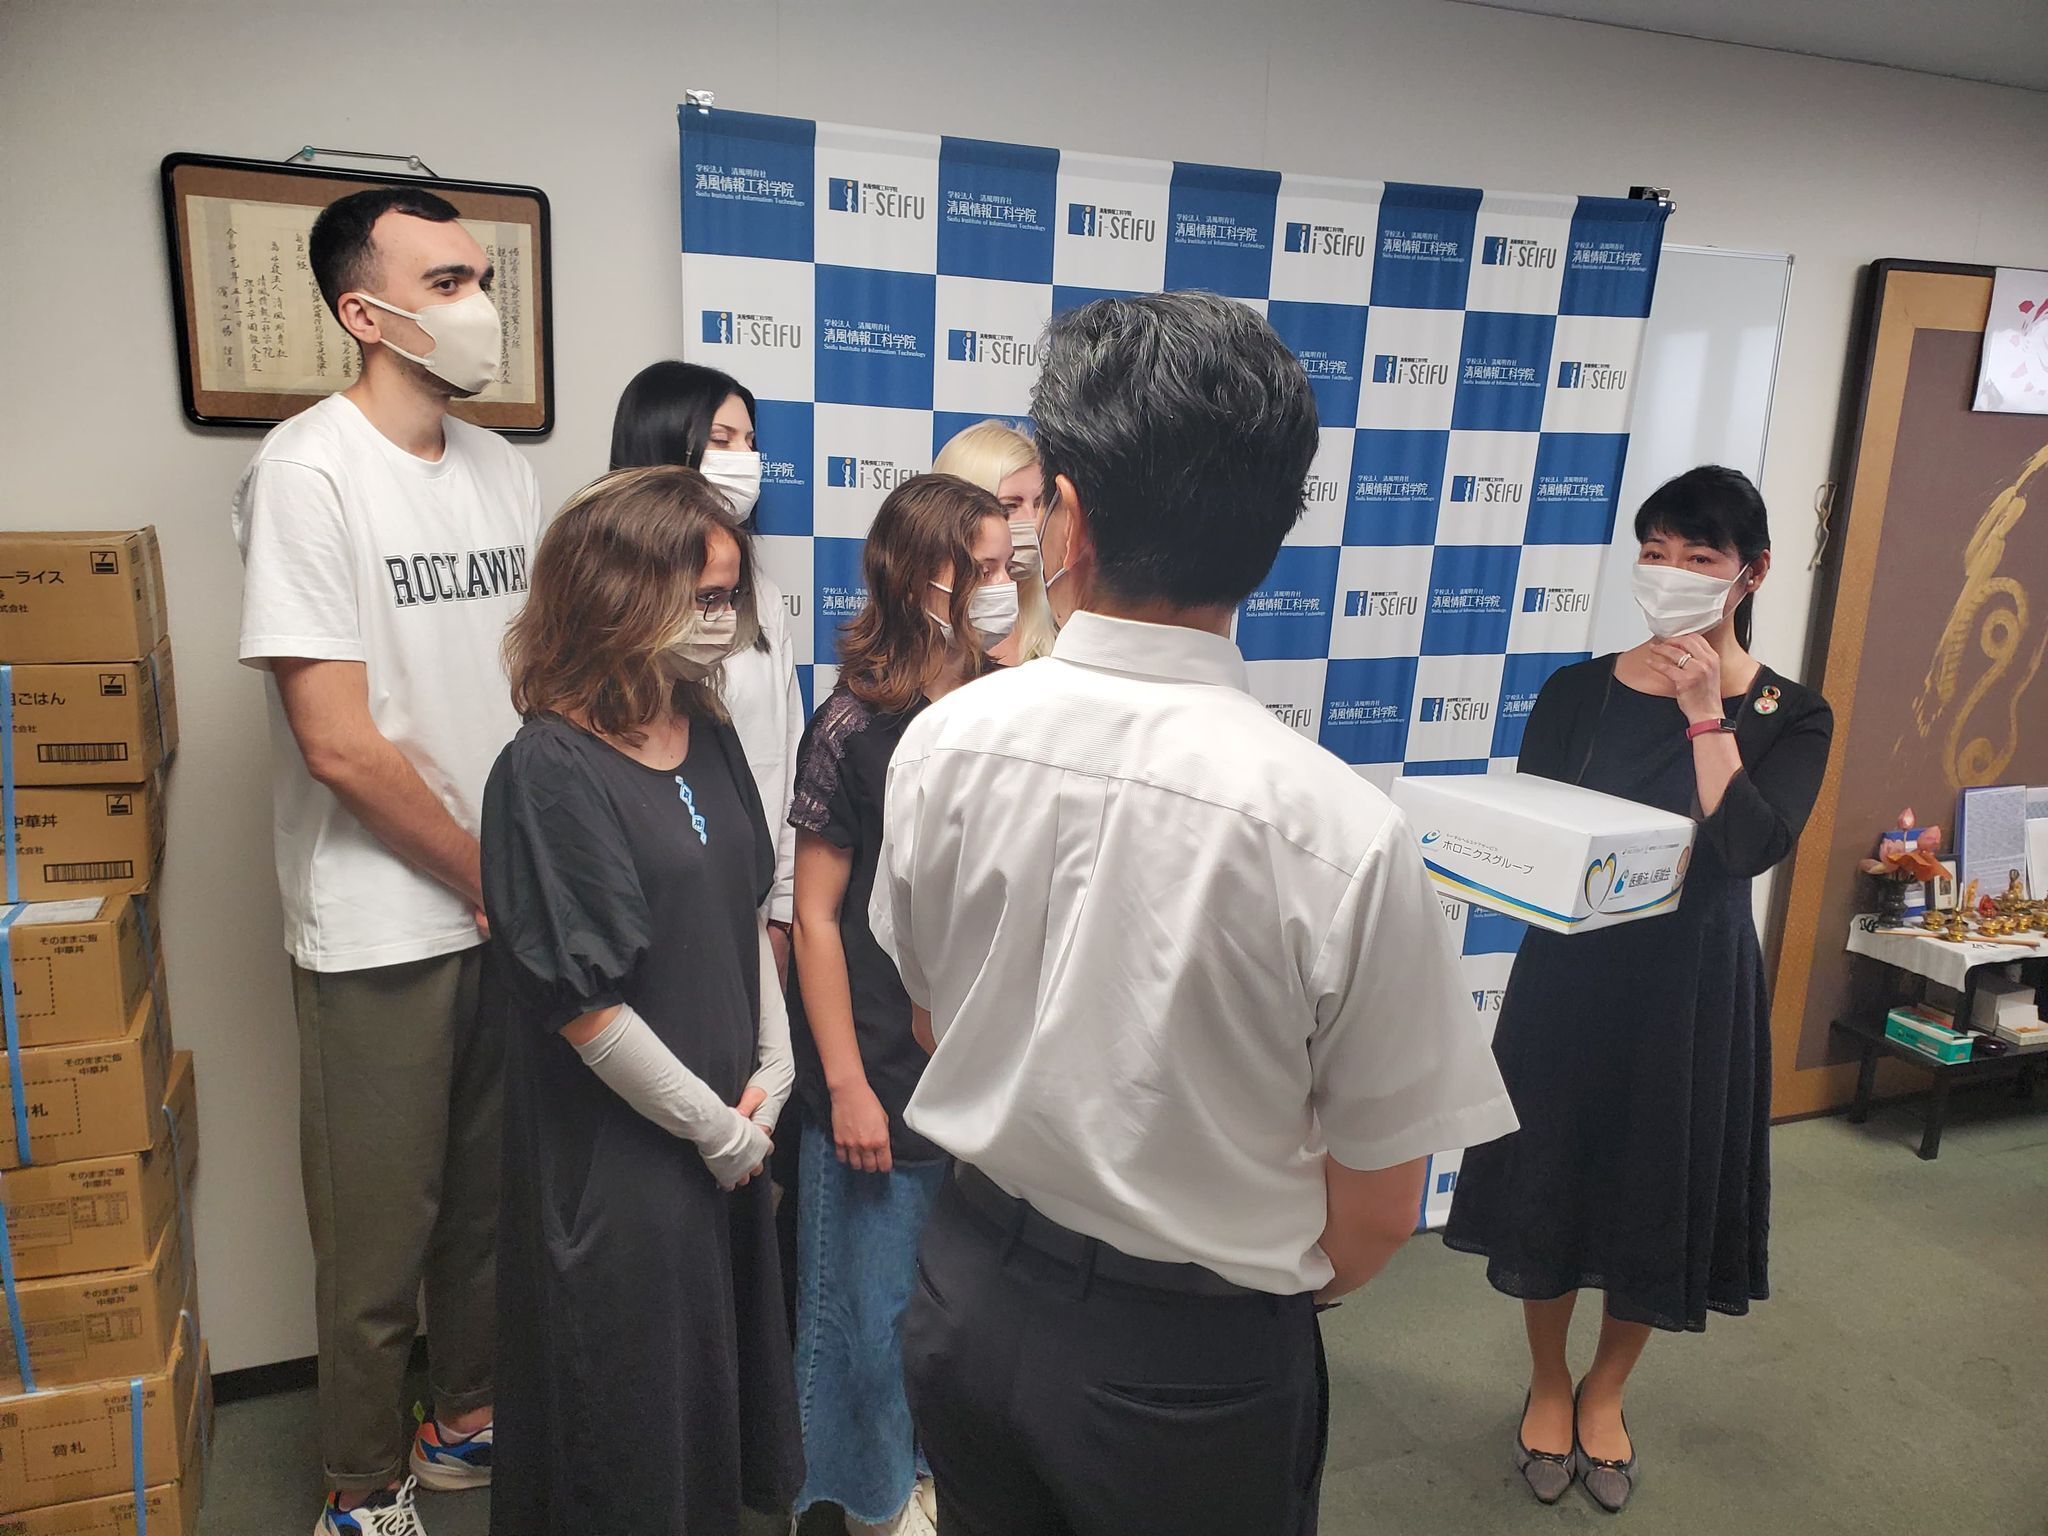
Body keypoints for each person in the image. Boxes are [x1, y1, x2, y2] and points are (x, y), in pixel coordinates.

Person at [871, 292, 1518, 1536]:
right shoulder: (1335, 832)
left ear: (1064, 519)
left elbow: (931, 1016)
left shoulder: (943, 745)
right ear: (1270, 533)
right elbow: (1380, 1210)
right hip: (1190, 1357)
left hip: (965, 1291)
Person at [231, 185, 541, 1536]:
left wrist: (523, 873)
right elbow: (339, 743)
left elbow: (530, 686)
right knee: (375, 1234)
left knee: (486, 1206)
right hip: (379, 923)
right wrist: (484, 873)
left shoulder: (503, 470)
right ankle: (359, 1490)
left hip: (500, 903)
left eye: (482, 278)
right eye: (449, 281)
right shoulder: (307, 471)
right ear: (366, 313)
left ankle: (463, 1418)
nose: (480, 305)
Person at [1442, 466, 1834, 1514]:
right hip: (1571, 979)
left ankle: (1606, 1389)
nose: (1668, 574)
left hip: (1691, 987)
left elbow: (1747, 849)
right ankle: (1547, 1378)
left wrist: (1707, 714)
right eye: (1653, 553)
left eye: (1698, 557)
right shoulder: (1577, 691)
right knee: (1549, 1179)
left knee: (1655, 1188)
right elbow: (1529, 832)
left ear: (1750, 573)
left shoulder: (1790, 713)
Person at [480, 465, 804, 1534]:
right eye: (701, 598)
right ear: (620, 595)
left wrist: (775, 1065)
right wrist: (712, 1127)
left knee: (712, 1408)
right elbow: (585, 1008)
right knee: (628, 1426)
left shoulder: (704, 725)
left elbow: (738, 900)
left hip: (727, 1132)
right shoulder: (548, 770)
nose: (721, 622)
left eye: (728, 597)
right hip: (625, 1157)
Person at [788, 475, 1012, 1536]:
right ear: (925, 576)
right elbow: (815, 918)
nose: (1004, 585)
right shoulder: (852, 725)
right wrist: (846, 1087)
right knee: (865, 1318)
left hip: (980, 1072)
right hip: (878, 1065)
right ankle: (870, 1506)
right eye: (985, 567)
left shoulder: (1008, 707)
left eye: (1011, 564)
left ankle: (931, 1482)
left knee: (957, 1317)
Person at [609, 360, 802, 977]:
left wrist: (783, 912)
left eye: (750, 441)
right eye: (722, 441)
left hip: (753, 904)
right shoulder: (609, 601)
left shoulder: (764, 597)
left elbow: (789, 753)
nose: (746, 459)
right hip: (651, 914)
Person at [931, 419, 1055, 665]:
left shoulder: (1061, 616)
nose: (1032, 521)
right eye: (1010, 506)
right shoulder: (927, 637)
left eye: (1039, 503)